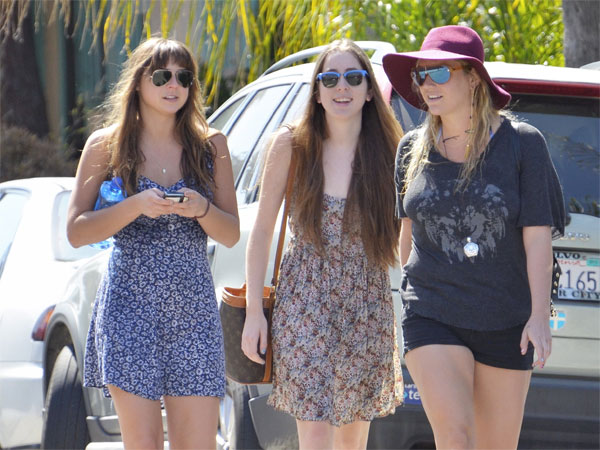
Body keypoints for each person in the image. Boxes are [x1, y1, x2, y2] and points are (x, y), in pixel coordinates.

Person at [382, 25, 565, 449]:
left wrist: (540, 315)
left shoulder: (522, 144)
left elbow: (537, 237)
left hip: (505, 319)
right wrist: (405, 299)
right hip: (431, 312)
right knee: (456, 437)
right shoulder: (411, 149)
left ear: (473, 78)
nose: (427, 84)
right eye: (421, 74)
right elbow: (407, 237)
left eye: (439, 72)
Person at [67, 37, 239, 449]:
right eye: (162, 76)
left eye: (184, 77)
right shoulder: (106, 145)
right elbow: (76, 231)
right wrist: (136, 206)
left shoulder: (211, 144)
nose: (173, 85)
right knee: (143, 443)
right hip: (129, 308)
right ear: (139, 82)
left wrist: (201, 208)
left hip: (193, 310)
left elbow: (231, 233)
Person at [241, 39, 404, 449]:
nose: (341, 87)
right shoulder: (292, 145)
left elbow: (407, 238)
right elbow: (262, 231)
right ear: (317, 92)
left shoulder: (390, 151)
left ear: (369, 91)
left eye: (353, 78)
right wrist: (255, 312)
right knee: (314, 436)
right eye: (330, 79)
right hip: (305, 302)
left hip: (365, 306)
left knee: (352, 441)